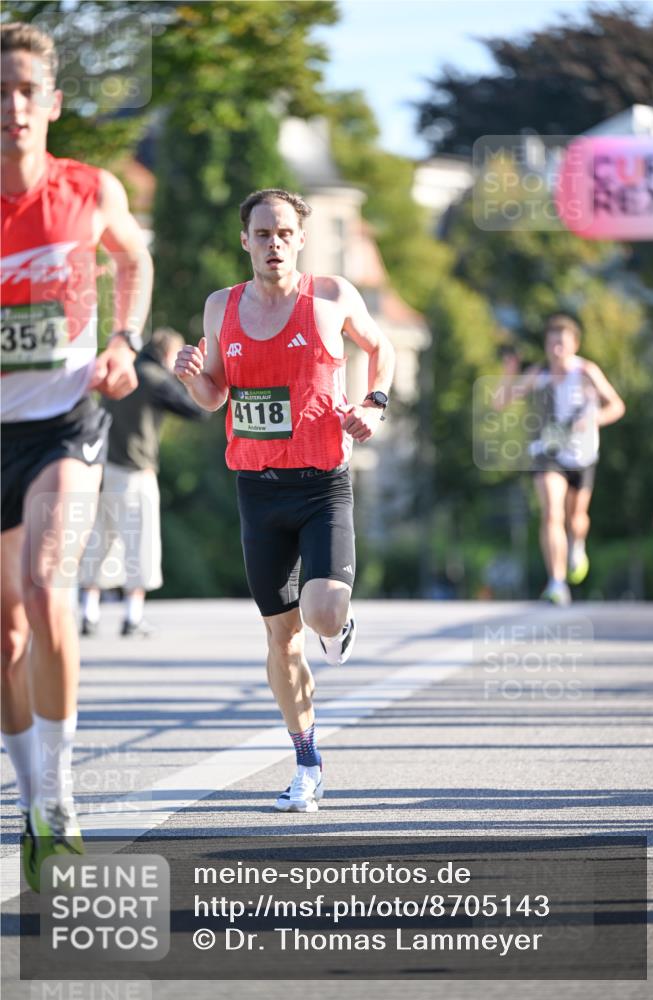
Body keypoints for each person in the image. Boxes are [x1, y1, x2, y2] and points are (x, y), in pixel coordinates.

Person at [174, 188, 395, 812]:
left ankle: (339, 623)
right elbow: (215, 396)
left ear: (301, 240)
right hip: (257, 489)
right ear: (245, 240)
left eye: (285, 234)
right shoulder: (221, 306)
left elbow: (382, 348)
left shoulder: (331, 297)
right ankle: (307, 761)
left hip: (322, 484)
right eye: (263, 234)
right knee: (282, 640)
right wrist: (192, 377)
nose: (274, 244)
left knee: (321, 613)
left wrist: (374, 404)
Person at [1, 23, 153, 888]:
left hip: (65, 423)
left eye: (27, 90)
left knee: (45, 586)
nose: (13, 107)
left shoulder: (90, 190)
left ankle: (59, 799)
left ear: (52, 102)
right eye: (0, 92)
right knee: (5, 633)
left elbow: (134, 260)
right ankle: (31, 799)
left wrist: (124, 341)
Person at [79, 328, 207, 636]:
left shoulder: (120, 371)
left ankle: (88, 613)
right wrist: (189, 379)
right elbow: (198, 411)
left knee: (99, 542)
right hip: (135, 471)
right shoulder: (153, 377)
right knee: (141, 545)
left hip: (102, 468)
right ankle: (132, 616)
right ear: (168, 354)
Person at [497, 313, 625, 605]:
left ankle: (577, 544)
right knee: (551, 513)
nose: (556, 350)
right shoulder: (539, 374)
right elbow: (501, 402)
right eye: (551, 343)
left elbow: (617, 406)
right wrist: (509, 373)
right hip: (548, 452)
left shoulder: (587, 371)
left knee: (576, 519)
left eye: (562, 344)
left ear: (574, 345)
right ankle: (556, 582)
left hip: (582, 454)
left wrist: (593, 420)